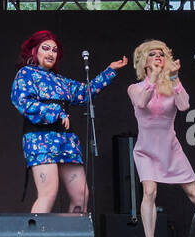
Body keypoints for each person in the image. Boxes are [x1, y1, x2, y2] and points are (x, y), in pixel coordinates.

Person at [11, 30, 127, 214]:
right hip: (40, 139)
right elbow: (23, 102)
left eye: (54, 50)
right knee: (48, 194)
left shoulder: (60, 81)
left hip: (66, 140)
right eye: (46, 48)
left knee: (81, 195)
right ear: (34, 51)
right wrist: (56, 112)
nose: (50, 53)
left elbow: (84, 93)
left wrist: (110, 71)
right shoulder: (26, 74)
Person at [128, 40, 195, 237]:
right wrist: (154, 78)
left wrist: (174, 78)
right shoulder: (136, 88)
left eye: (161, 54)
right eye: (152, 54)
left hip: (170, 148)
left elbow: (184, 105)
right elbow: (142, 102)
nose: (158, 57)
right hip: (146, 150)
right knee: (150, 191)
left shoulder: (172, 84)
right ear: (144, 61)